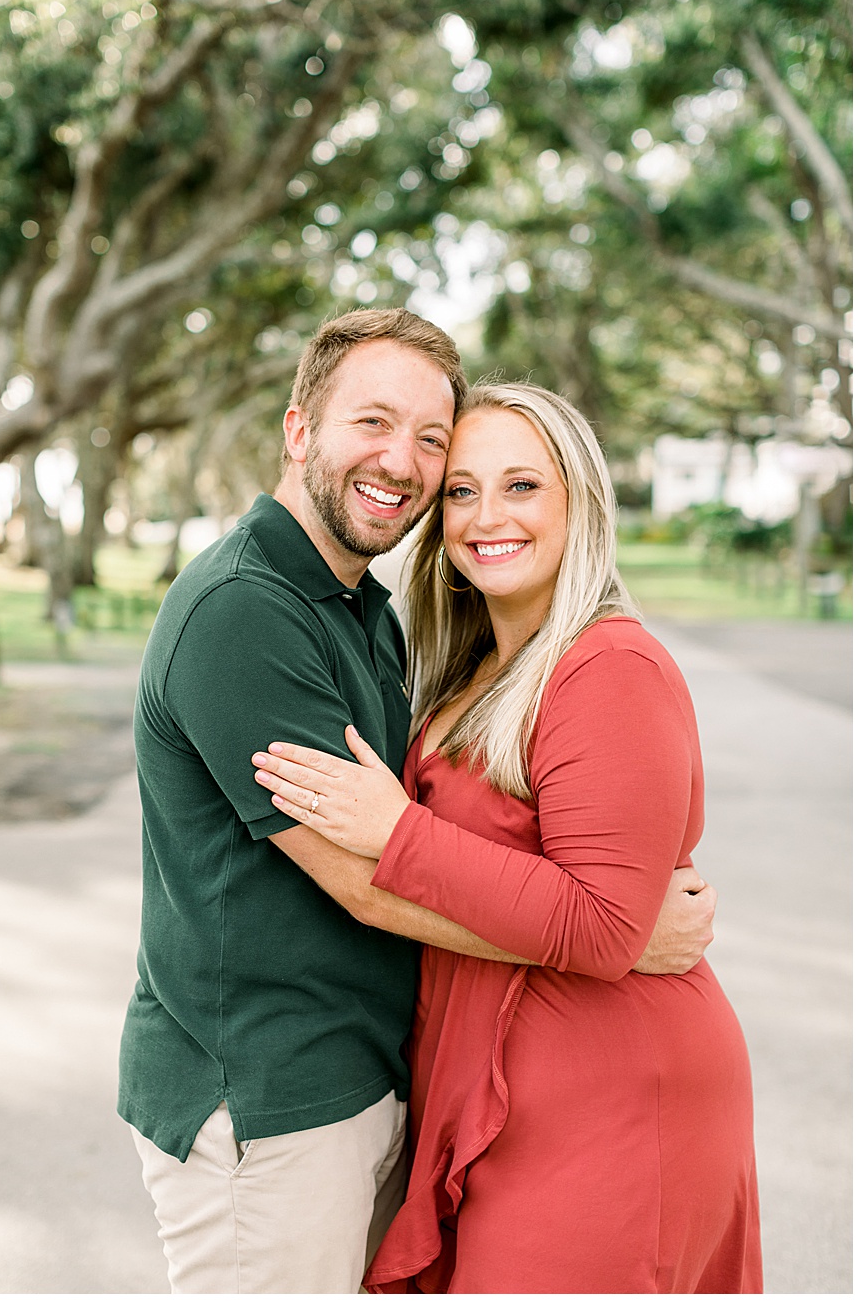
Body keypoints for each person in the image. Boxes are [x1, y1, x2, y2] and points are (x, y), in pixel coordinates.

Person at [119, 309, 716, 1293]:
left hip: (366, 1078)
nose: (402, 460)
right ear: (299, 429)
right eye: (373, 423)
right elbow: (369, 877)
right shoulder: (245, 611)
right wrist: (620, 935)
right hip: (270, 1101)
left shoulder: (365, 609)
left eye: (430, 439)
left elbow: (446, 834)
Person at [252, 380, 761, 1291]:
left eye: (523, 486)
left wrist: (397, 831)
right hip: (500, 1090)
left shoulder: (610, 667)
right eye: (462, 490)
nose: (488, 515)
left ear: (582, 503)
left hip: (609, 1096)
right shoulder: (476, 668)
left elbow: (605, 924)